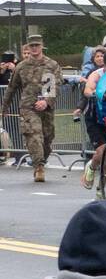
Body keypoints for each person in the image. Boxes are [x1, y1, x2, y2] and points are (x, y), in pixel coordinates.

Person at [2, 34, 61, 182]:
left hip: (46, 108)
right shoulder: (21, 66)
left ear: (42, 46)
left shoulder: (51, 65)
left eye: (37, 45)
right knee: (33, 135)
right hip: (28, 108)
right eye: (31, 46)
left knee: (47, 139)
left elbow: (54, 86)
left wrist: (46, 102)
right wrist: (4, 108)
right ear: (28, 47)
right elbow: (11, 88)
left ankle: (42, 159)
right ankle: (39, 167)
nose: (34, 48)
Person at [79, 47, 106, 194]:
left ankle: (101, 188)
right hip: (95, 117)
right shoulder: (96, 74)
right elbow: (87, 90)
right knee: (103, 150)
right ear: (104, 66)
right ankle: (91, 166)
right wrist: (97, 93)